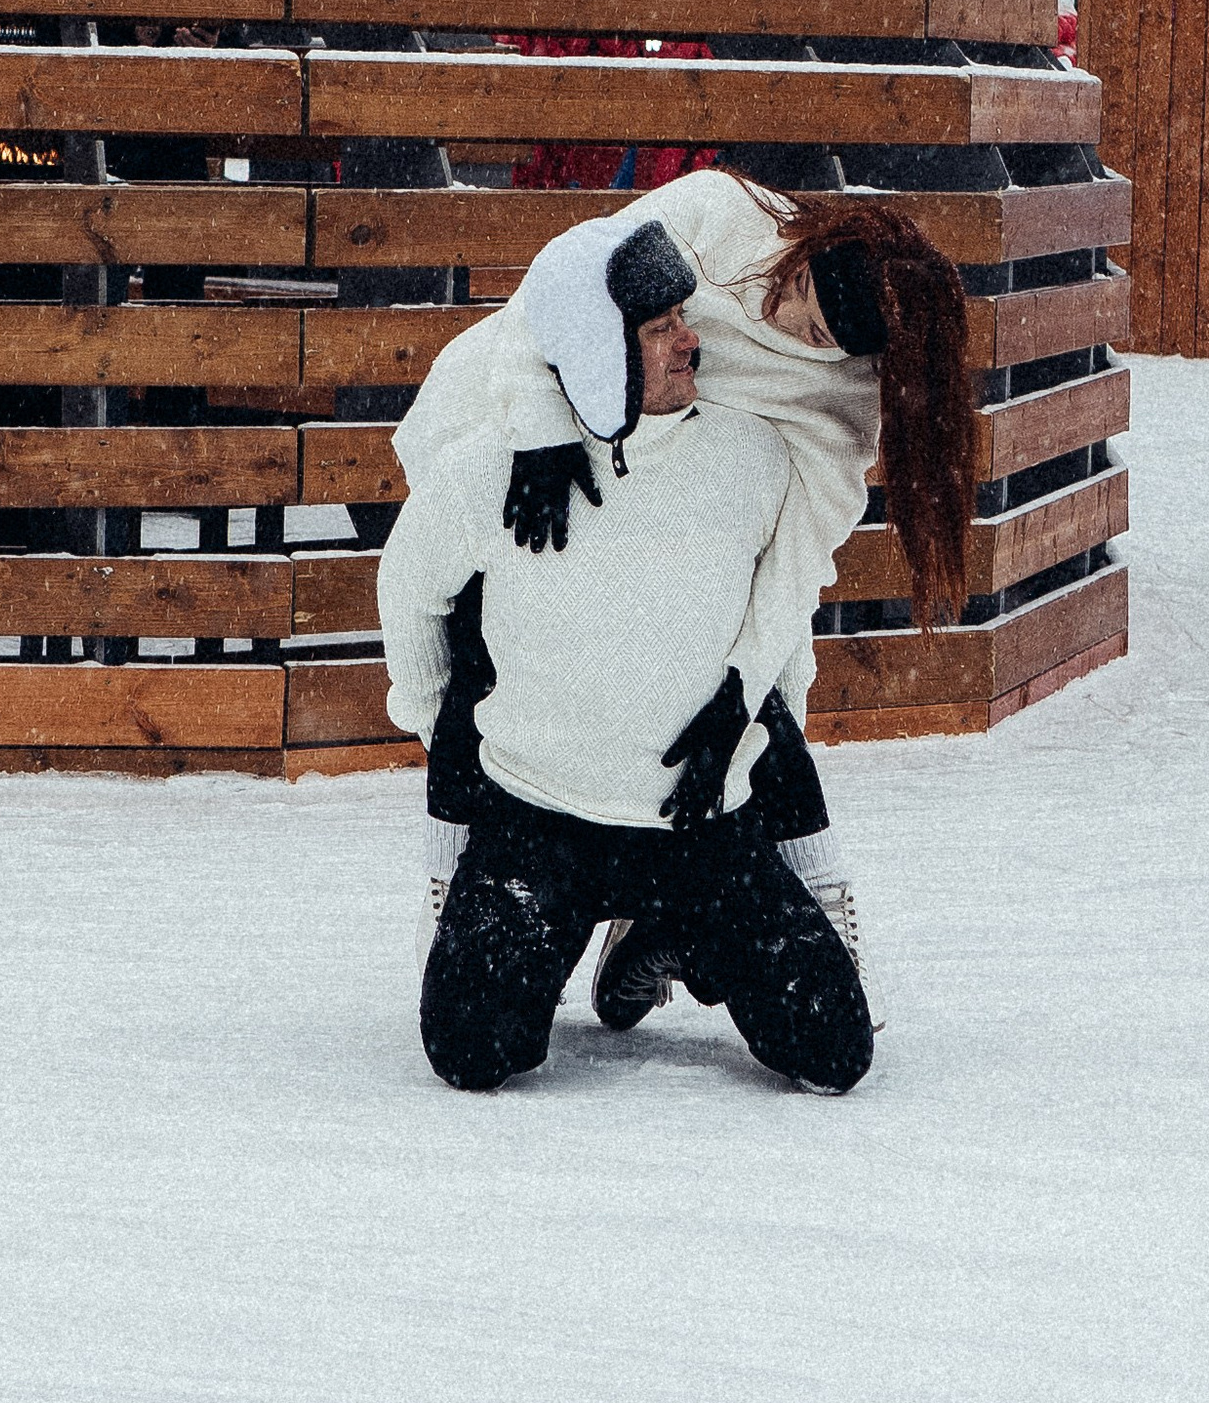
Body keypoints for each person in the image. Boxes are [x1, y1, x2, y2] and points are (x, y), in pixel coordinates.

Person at [393, 166, 978, 961]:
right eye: (799, 282)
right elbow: (568, 282)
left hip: (681, 504)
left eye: (813, 334)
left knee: (736, 703)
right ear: (814, 241)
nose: (785, 311)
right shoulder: (719, 212)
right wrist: (538, 427)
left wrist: (740, 689)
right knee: (484, 660)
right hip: (514, 430)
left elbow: (792, 571)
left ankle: (716, 908)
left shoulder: (840, 408)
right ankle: (466, 910)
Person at [381, 213, 874, 1094]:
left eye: (684, 319)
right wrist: (432, 724)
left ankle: (668, 929)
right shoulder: (502, 468)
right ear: (601, 356)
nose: (694, 342)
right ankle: (535, 917)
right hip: (541, 820)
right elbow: (408, 585)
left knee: (834, 1052)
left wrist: (758, 729)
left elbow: (782, 610)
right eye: (661, 331)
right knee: (471, 1050)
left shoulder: (754, 457)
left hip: (697, 829)